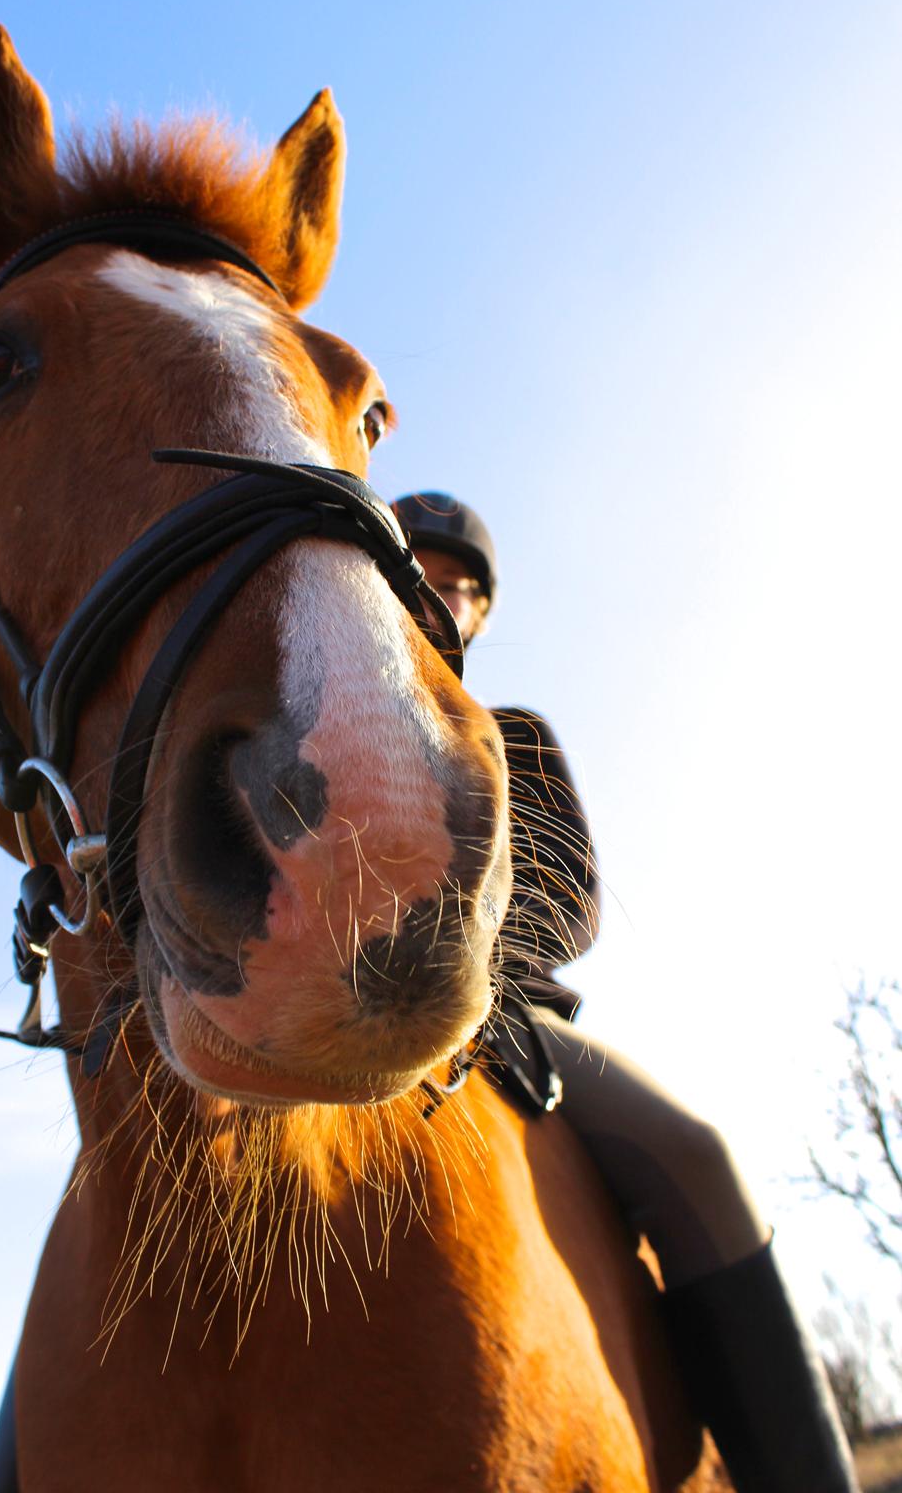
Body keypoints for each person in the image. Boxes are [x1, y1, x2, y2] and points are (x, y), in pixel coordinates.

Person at [392, 491, 858, 1493]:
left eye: (460, 586)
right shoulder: (316, 702)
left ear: (479, 614)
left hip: (503, 1026)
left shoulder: (511, 736)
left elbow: (569, 903)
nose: (439, 594)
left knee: (695, 1155)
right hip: (325, 1012)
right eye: (421, 571)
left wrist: (456, 959)